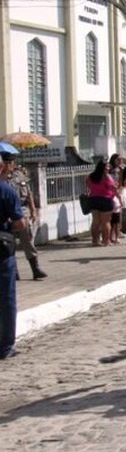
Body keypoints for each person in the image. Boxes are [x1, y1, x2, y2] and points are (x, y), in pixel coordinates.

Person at [1, 152, 46, 279]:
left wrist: (33, 210)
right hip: (7, 213)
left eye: (12, 162)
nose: (12, 165)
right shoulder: (2, 179)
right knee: (8, 242)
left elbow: (29, 193)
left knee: (28, 239)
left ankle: (35, 268)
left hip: (22, 210)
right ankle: (14, 271)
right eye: (9, 162)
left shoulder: (19, 174)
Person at [0, 152, 25, 359]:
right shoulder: (6, 191)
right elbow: (20, 223)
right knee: (6, 297)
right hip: (2, 249)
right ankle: (6, 346)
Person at [85, 159, 117, 247]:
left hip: (93, 200)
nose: (108, 168)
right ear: (103, 167)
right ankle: (106, 241)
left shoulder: (90, 176)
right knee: (105, 222)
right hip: (106, 200)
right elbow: (113, 188)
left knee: (95, 222)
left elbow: (87, 184)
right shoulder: (107, 177)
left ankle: (95, 241)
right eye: (107, 167)